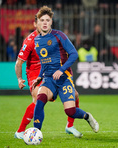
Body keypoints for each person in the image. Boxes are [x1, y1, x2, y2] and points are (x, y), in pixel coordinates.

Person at [32, 6, 99, 135]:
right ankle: (36, 133)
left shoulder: (59, 35)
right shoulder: (37, 40)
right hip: (48, 79)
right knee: (40, 101)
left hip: (63, 78)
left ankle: (87, 117)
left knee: (70, 111)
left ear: (51, 21)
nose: (45, 22)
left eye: (47, 20)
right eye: (42, 20)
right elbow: (44, 61)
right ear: (38, 22)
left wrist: (61, 70)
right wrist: (40, 76)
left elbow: (74, 54)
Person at [14, 15, 82, 139]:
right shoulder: (30, 40)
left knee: (75, 95)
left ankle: (70, 126)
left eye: (46, 21)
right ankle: (20, 131)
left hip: (51, 71)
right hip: (35, 73)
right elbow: (19, 63)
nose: (43, 24)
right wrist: (19, 79)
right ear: (35, 24)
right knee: (38, 98)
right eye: (41, 21)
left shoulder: (54, 37)